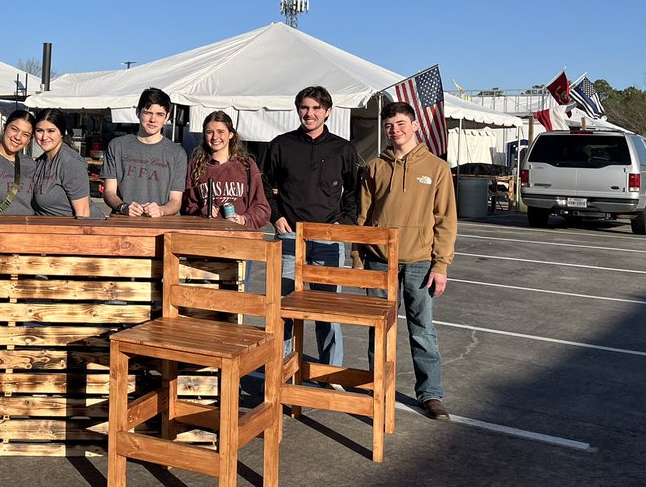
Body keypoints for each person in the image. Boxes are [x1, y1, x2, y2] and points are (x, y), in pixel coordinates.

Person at [354, 101, 457, 420]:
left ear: (414, 126)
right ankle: (378, 388)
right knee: (379, 330)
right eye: (389, 126)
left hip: (419, 263)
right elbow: (363, 216)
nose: (395, 130)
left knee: (422, 330)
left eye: (400, 124)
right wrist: (358, 257)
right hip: (378, 262)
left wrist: (441, 265)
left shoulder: (437, 168)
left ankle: (430, 394)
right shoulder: (375, 166)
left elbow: (446, 219)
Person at [263, 85, 361, 365]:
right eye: (305, 107)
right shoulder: (281, 145)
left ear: (328, 112)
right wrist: (275, 215)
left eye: (317, 108)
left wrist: (346, 222)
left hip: (328, 240)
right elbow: (265, 184)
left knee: (326, 311)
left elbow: (354, 191)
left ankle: (330, 371)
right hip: (290, 237)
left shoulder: (343, 148)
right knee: (284, 309)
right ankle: (282, 367)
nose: (310, 113)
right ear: (298, 110)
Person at [102, 88, 187, 218]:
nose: (153, 119)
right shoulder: (116, 146)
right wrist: (123, 207)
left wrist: (161, 210)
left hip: (160, 226)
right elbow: (109, 192)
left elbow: (176, 201)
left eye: (160, 114)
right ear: (138, 112)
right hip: (122, 222)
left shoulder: (177, 153)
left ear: (167, 117)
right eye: (148, 113)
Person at [182, 111, 271, 229]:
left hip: (239, 238)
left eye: (221, 132)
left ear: (231, 134)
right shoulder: (195, 166)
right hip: (206, 237)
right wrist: (200, 212)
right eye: (209, 132)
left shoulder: (246, 165)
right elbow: (187, 206)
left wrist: (244, 219)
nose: (215, 137)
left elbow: (262, 208)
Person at [30, 108, 91, 217]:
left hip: (73, 230)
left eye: (51, 131)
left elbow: (83, 213)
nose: (44, 137)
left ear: (62, 133)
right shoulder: (42, 160)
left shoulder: (70, 163)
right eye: (39, 130)